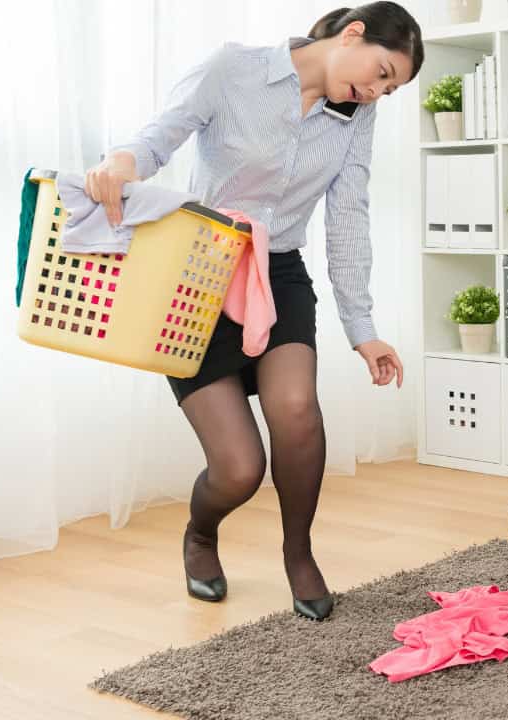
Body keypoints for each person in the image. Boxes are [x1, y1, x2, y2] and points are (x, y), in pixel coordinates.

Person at [83, 3, 423, 621]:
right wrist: (121, 161)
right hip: (195, 277)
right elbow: (160, 134)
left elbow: (349, 217)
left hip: (279, 273)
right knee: (239, 469)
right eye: (378, 72)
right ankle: (201, 534)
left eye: (387, 89)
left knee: (296, 409)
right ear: (352, 33)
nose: (375, 92)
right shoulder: (233, 69)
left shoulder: (356, 117)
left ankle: (299, 554)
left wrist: (363, 329)